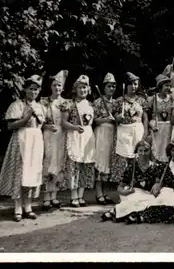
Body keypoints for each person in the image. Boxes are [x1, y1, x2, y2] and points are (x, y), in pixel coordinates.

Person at [0, 75, 46, 221]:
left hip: (36, 140)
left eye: (36, 90)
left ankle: (28, 207)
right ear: (25, 89)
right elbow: (10, 126)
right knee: (20, 172)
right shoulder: (17, 105)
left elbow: (41, 125)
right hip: (21, 139)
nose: (33, 92)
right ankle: (17, 208)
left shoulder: (41, 106)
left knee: (32, 172)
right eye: (31, 89)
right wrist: (26, 117)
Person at [101, 140, 161, 223]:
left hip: (147, 194)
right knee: (134, 200)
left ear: (150, 151)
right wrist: (125, 192)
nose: (143, 154)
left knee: (151, 202)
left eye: (146, 151)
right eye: (140, 151)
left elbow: (157, 184)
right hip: (133, 193)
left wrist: (157, 186)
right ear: (136, 152)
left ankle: (116, 211)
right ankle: (131, 215)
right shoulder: (131, 167)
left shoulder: (155, 167)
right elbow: (120, 187)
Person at [60, 75, 96, 207]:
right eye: (80, 87)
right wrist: (74, 127)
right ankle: (73, 196)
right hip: (75, 135)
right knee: (74, 166)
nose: (83, 90)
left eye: (85, 87)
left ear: (88, 89)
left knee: (85, 165)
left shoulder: (91, 105)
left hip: (87, 136)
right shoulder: (69, 104)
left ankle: (81, 196)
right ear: (75, 89)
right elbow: (63, 122)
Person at [110, 72, 149, 186]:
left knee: (137, 158)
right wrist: (118, 117)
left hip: (138, 130)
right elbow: (114, 119)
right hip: (124, 131)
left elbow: (145, 117)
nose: (134, 87)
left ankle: (136, 186)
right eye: (131, 84)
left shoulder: (141, 100)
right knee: (123, 159)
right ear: (126, 86)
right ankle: (122, 188)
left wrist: (146, 131)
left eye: (136, 84)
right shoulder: (119, 100)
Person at [40, 70, 68, 210]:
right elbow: (39, 121)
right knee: (48, 161)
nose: (57, 88)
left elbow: (67, 121)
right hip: (48, 134)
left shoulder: (65, 103)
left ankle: (54, 196)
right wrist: (46, 125)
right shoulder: (44, 101)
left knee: (58, 161)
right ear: (51, 87)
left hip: (61, 134)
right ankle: (46, 196)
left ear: (63, 88)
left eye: (59, 86)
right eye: (55, 85)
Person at [92, 72, 117, 205]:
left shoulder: (117, 102)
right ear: (104, 87)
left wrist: (115, 120)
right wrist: (105, 119)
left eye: (113, 86)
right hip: (101, 132)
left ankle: (105, 192)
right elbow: (93, 120)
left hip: (112, 133)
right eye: (109, 86)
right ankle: (98, 193)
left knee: (109, 162)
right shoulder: (97, 102)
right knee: (100, 161)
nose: (111, 89)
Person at [147, 74, 174, 163]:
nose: (168, 88)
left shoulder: (172, 99)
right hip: (157, 129)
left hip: (168, 129)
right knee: (156, 150)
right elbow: (147, 115)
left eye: (169, 86)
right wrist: (151, 123)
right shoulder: (152, 99)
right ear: (160, 86)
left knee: (167, 150)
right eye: (166, 86)